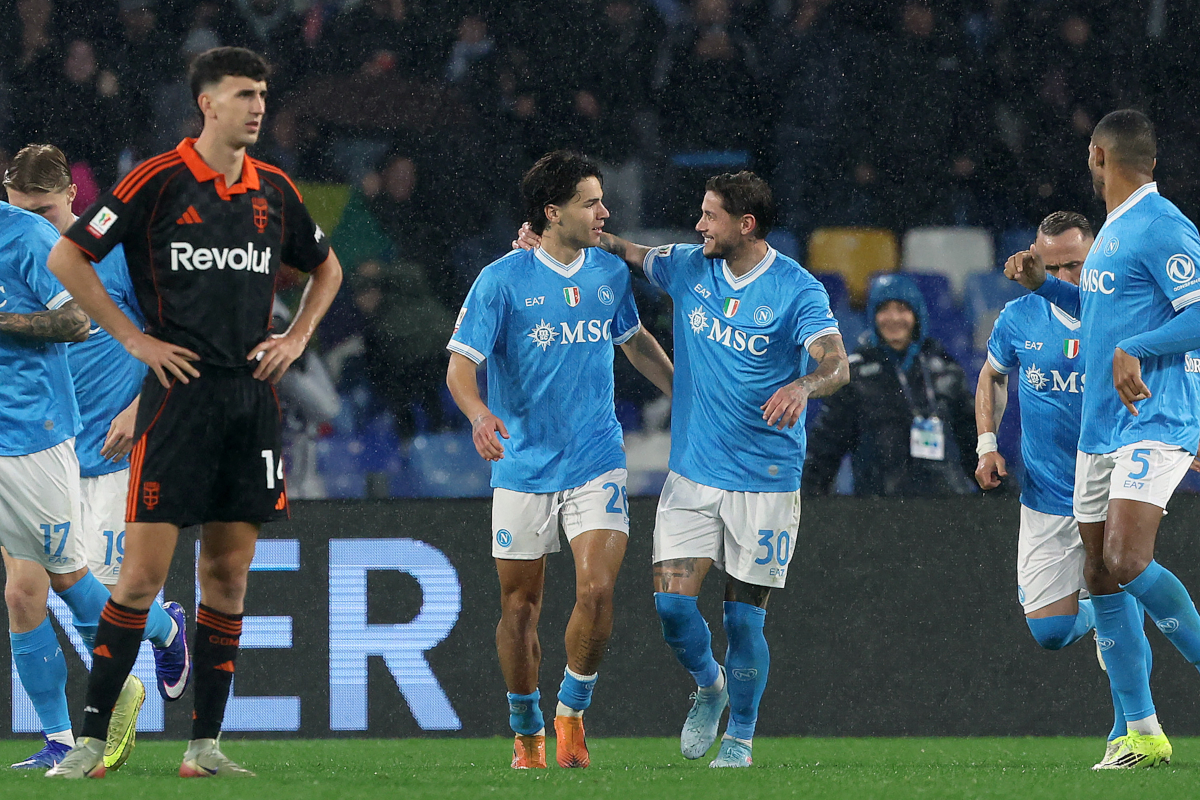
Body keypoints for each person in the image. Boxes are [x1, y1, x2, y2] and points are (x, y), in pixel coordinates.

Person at [44, 46, 342, 778]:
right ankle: (90, 741)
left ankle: (203, 747)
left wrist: (297, 337)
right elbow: (68, 260)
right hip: (177, 401)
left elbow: (326, 267)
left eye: (263, 94)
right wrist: (135, 340)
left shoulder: (275, 188)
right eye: (244, 94)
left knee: (230, 577)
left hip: (250, 404)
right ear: (206, 103)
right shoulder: (157, 179)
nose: (259, 106)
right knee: (141, 579)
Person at [518, 170, 849, 767]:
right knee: (673, 608)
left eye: (710, 217)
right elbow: (626, 249)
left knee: (744, 623)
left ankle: (741, 738)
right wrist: (542, 244)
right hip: (694, 475)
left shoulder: (797, 290)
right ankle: (711, 686)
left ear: (744, 226)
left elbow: (836, 364)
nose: (699, 227)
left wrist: (804, 384)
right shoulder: (691, 265)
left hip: (766, 480)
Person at [447, 151, 673, 770]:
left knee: (597, 592)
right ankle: (526, 729)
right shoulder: (501, 280)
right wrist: (478, 415)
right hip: (521, 466)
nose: (604, 212)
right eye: (589, 202)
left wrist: (684, 393)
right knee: (519, 609)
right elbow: (461, 366)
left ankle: (571, 711)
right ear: (553, 212)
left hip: (595, 458)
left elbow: (635, 344)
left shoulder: (609, 275)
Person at [1007, 109, 1200, 769]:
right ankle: (1141, 732)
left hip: (1151, 416)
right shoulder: (1115, 232)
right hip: (1099, 428)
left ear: (1097, 156)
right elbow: (1110, 317)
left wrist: (1138, 348)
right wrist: (1045, 291)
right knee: (1099, 574)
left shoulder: (1162, 224)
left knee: (1124, 557)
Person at [3, 143, 192, 771]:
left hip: (107, 453)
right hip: (38, 445)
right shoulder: (23, 253)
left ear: (72, 202)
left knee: (103, 597)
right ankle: (62, 738)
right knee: (26, 594)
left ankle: (160, 636)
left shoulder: (113, 254)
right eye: (24, 208)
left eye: (50, 212)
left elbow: (177, 335)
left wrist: (140, 410)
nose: (39, 223)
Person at [978, 210, 1154, 766]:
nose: (1066, 276)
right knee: (1050, 633)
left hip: (1114, 489)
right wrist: (987, 443)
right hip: (1047, 498)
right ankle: (1103, 614)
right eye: (1052, 266)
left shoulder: (1123, 310)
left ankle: (1132, 732)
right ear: (1035, 260)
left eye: (1075, 264)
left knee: (1116, 596)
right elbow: (992, 374)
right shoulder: (1019, 316)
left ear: (1096, 255)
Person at [802, 273, 976, 496]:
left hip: (945, 509)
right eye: (884, 310)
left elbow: (973, 444)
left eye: (902, 309)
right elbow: (825, 449)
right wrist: (808, 499)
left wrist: (1002, 494)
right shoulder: (854, 376)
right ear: (873, 316)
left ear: (917, 315)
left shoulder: (945, 370)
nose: (893, 318)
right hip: (878, 512)